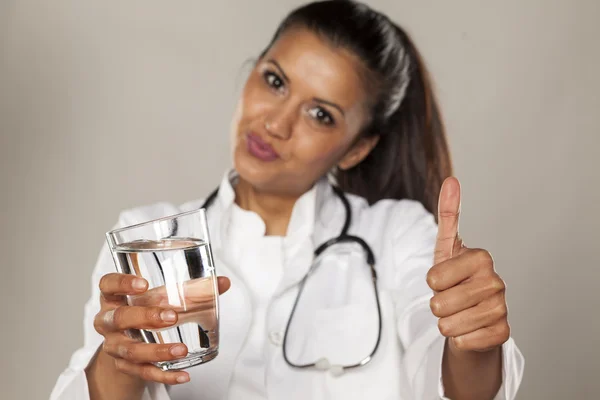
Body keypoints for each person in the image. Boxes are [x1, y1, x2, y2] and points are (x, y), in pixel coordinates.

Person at [51, 1, 524, 399]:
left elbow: (455, 384)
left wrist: (473, 342)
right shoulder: (152, 239)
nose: (276, 124)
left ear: (358, 147)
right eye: (275, 82)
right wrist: (121, 360)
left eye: (320, 114)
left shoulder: (399, 234)